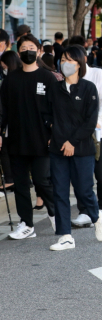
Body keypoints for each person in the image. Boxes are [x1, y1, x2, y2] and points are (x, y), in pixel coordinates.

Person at [48, 45, 102, 250]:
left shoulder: (88, 88)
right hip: (58, 149)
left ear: (80, 64)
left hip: (81, 148)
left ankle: (96, 216)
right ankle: (65, 236)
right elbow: (48, 116)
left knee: (83, 190)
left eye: (70, 60)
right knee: (60, 192)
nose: (65, 63)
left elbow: (90, 122)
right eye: (63, 59)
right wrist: (56, 138)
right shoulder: (55, 88)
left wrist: (72, 142)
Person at [2, 34, 57, 239]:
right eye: (24, 48)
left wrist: (55, 134)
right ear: (18, 52)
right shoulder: (11, 79)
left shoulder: (47, 77)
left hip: (42, 140)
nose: (28, 51)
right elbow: (4, 109)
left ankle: (55, 214)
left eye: (32, 47)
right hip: (16, 140)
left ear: (39, 50)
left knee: (43, 180)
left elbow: (56, 109)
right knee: (21, 184)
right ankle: (26, 224)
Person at [66, 35, 102, 227]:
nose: (69, 63)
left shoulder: (98, 74)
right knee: (80, 174)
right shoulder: (67, 79)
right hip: (76, 136)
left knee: (100, 172)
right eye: (66, 60)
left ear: (83, 59)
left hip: (98, 133)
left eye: (73, 59)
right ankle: (85, 210)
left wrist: (98, 121)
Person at [0, 51, 21, 193]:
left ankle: (10, 180)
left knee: (6, 151)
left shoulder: (9, 81)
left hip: (11, 122)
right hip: (18, 123)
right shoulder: (19, 77)